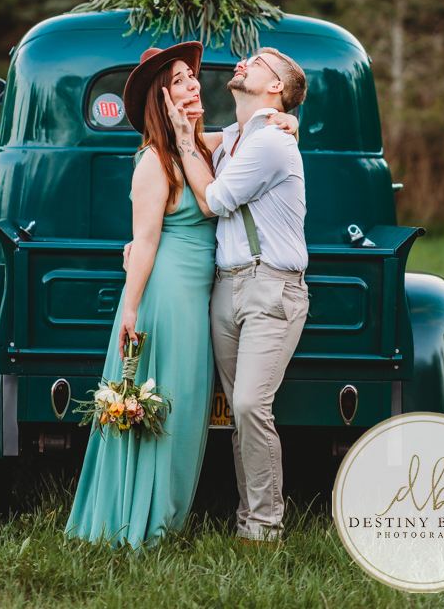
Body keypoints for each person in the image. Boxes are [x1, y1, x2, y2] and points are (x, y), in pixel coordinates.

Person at [65, 42, 298, 547]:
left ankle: (167, 517)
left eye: (192, 77)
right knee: (163, 403)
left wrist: (286, 121)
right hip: (168, 295)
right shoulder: (155, 159)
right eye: (178, 81)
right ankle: (139, 521)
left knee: (188, 408)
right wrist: (130, 308)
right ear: (162, 100)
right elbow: (146, 240)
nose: (192, 85)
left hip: (202, 295)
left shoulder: (207, 144)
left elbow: (250, 133)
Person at [163, 47, 309, 542]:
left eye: (260, 61)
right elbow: (179, 145)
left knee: (249, 405)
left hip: (271, 287)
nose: (244, 63)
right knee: (241, 415)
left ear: (276, 89)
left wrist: (186, 141)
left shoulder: (269, 142)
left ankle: (264, 528)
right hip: (226, 288)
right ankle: (249, 521)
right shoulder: (238, 137)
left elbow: (215, 200)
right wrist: (168, 109)